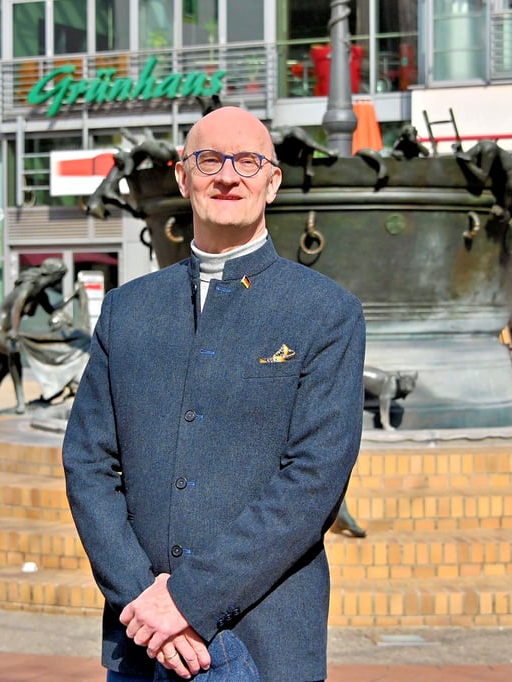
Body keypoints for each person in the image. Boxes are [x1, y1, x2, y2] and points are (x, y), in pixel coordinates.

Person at [62, 106, 366, 682]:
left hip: (264, 638)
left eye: (248, 161)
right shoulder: (127, 310)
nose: (228, 176)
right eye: (208, 160)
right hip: (142, 641)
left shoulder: (326, 313)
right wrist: (141, 599)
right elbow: (88, 462)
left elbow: (315, 477)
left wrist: (187, 601)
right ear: (182, 177)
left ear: (272, 182)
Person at [0, 259, 66, 419]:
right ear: (51, 275)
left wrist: (75, 295)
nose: (59, 281)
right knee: (13, 355)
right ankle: (20, 403)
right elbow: (17, 307)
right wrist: (14, 331)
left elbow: (52, 310)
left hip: (6, 330)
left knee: (0, 372)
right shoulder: (29, 286)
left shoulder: (40, 294)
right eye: (59, 277)